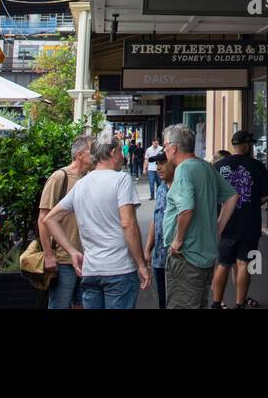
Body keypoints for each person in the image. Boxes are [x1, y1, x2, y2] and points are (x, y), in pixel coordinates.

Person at [43, 139, 148, 309]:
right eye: (121, 152)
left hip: (91, 271)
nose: (123, 157)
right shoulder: (121, 180)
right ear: (113, 152)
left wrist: (72, 251)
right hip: (119, 269)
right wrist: (141, 264)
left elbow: (50, 219)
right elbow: (128, 224)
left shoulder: (81, 185)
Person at [161, 123, 237, 309]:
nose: (164, 150)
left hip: (187, 256)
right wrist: (217, 228)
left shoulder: (183, 170)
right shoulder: (205, 166)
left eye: (164, 146)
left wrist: (178, 240)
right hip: (205, 253)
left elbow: (186, 209)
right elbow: (232, 196)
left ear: (173, 147)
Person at [211, 131, 268, 308]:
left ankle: (216, 303)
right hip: (249, 224)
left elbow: (212, 195)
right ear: (246, 145)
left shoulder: (219, 166)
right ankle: (239, 304)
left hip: (225, 224)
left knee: (223, 264)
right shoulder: (256, 166)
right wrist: (251, 202)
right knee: (244, 264)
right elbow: (266, 196)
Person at [37, 133, 95, 310]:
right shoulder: (60, 177)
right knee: (60, 304)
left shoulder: (91, 179)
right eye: (93, 151)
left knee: (81, 304)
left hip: (88, 258)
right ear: (80, 155)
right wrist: (48, 255)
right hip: (63, 260)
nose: (97, 155)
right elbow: (43, 219)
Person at [142, 152, 174, 308]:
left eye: (163, 163)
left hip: (177, 257)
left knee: (177, 301)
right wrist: (148, 249)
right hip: (159, 257)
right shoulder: (161, 188)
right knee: (162, 300)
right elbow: (156, 220)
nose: (159, 167)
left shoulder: (182, 187)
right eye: (157, 164)